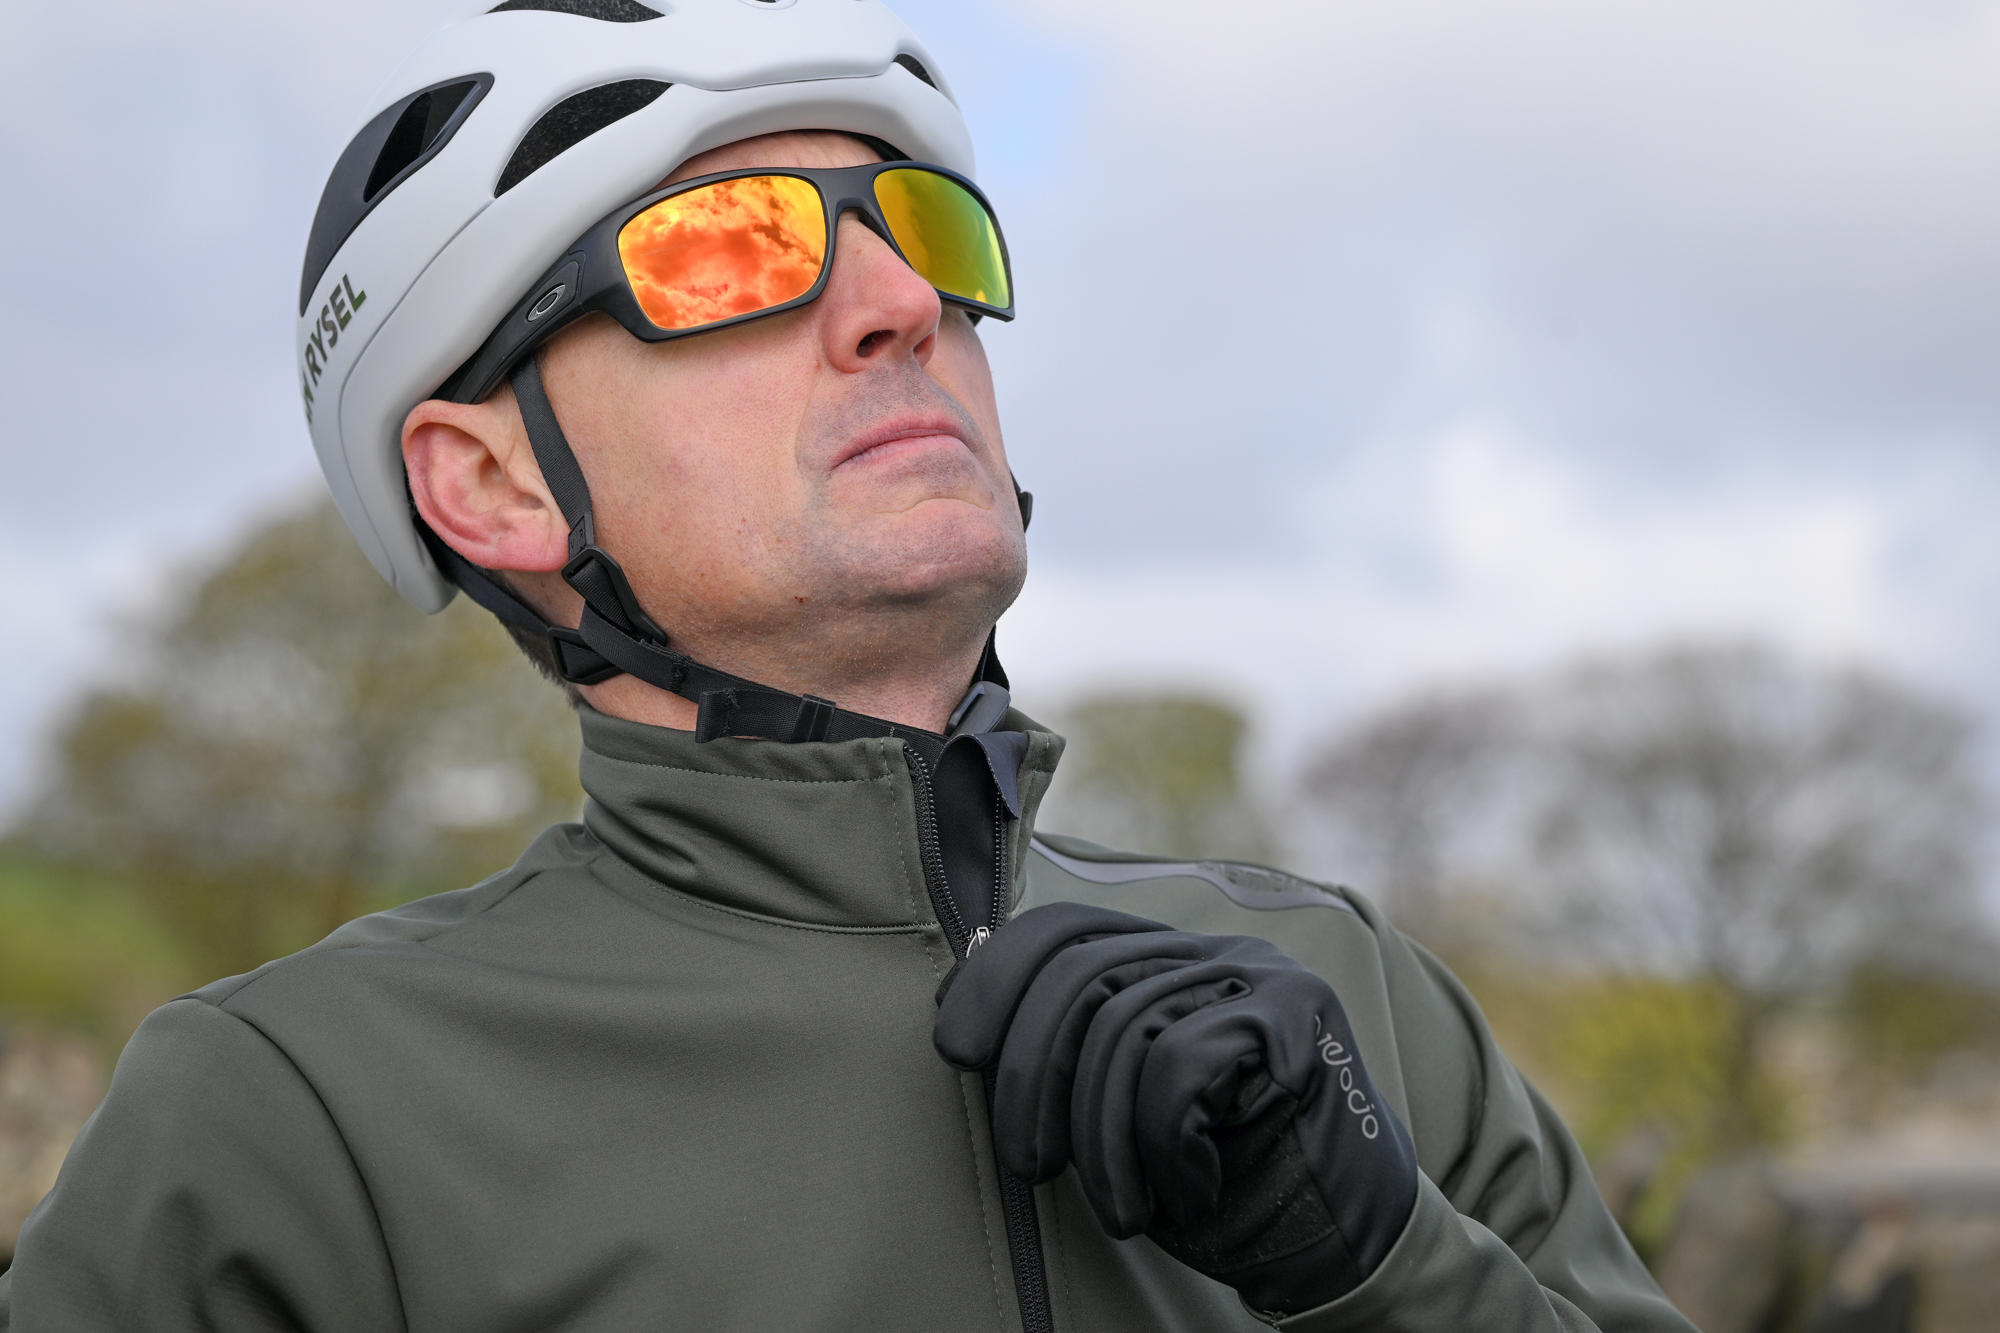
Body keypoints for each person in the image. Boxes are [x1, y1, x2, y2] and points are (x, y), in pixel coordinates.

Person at [0, 2, 1698, 1330]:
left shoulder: (1347, 991)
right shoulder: (297, 1116)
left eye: (928, 229)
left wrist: (1380, 1260)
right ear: (496, 485)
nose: (899, 298)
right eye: (726, 244)